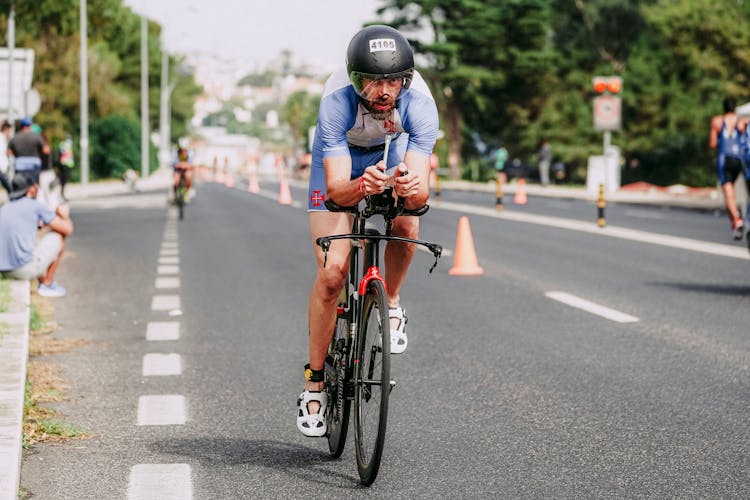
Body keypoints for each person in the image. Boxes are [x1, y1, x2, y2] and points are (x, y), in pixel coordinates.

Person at [298, 25, 439, 437]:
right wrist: (363, 186)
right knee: (331, 276)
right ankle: (315, 384)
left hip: (390, 150)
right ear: (355, 79)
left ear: (406, 80)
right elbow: (339, 192)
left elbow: (420, 196)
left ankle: (391, 302)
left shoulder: (421, 105)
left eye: (392, 80)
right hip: (341, 159)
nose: (382, 91)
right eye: (371, 81)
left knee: (406, 220)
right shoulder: (335, 103)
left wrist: (409, 189)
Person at [0, 173, 73, 298]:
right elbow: (67, 229)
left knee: (34, 245)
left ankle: (43, 281)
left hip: (2, 269)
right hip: (21, 270)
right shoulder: (35, 206)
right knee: (59, 236)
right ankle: (47, 284)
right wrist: (64, 215)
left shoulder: (5, 207)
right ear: (31, 189)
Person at [710, 97, 748, 240]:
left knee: (729, 193)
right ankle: (742, 220)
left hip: (725, 159)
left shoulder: (717, 121)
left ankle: (737, 221)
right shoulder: (742, 122)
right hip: (740, 159)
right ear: (735, 107)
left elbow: (713, 143)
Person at [8, 116, 48, 184]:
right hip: (34, 164)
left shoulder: (15, 137)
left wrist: (18, 153)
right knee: (33, 185)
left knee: (21, 184)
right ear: (31, 125)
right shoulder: (36, 136)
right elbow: (46, 150)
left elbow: (9, 152)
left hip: (19, 164)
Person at [54, 135, 75, 200]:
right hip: (64, 164)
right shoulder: (64, 145)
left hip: (66, 164)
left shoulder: (65, 144)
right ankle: (60, 194)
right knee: (63, 180)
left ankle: (61, 194)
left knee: (63, 180)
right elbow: (61, 154)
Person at [0, 120, 11, 196]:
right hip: (2, 166)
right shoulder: (1, 138)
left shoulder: (3, 138)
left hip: (3, 166)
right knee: (9, 188)